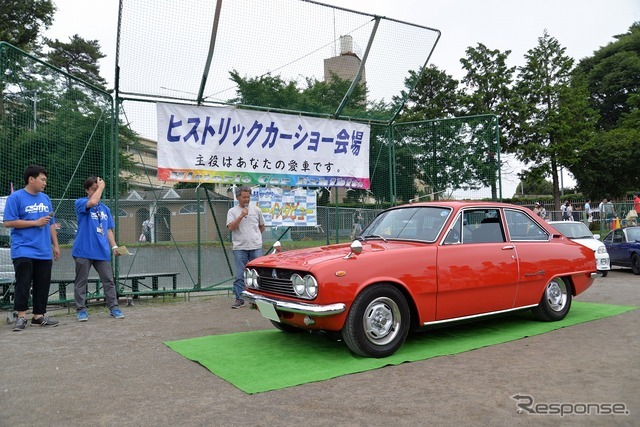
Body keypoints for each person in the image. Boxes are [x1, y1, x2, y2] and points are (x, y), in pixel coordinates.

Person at [3, 165, 61, 331]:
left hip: (43, 249)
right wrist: (35, 223)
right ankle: (21, 317)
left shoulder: (45, 198)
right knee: (24, 282)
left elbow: (50, 223)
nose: (45, 183)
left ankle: (38, 316)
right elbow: (8, 222)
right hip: (23, 249)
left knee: (42, 283)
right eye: (42, 179)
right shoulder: (16, 198)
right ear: (31, 179)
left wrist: (55, 245)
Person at [72, 176, 124, 321]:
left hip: (101, 251)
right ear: (87, 191)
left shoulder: (105, 209)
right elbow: (93, 201)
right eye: (93, 189)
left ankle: (114, 308)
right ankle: (81, 310)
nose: (96, 192)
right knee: (81, 281)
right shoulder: (81, 202)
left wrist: (114, 246)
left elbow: (108, 230)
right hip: (83, 250)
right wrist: (101, 187)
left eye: (97, 189)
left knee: (108, 280)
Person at [226, 185, 265, 309]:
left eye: (248, 197)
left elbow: (262, 226)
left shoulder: (257, 210)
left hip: (256, 247)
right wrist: (241, 216)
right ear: (238, 197)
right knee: (240, 275)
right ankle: (239, 299)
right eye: (244, 197)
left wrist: (256, 237)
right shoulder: (232, 211)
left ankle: (257, 300)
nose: (246, 200)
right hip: (240, 248)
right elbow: (231, 228)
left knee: (257, 274)